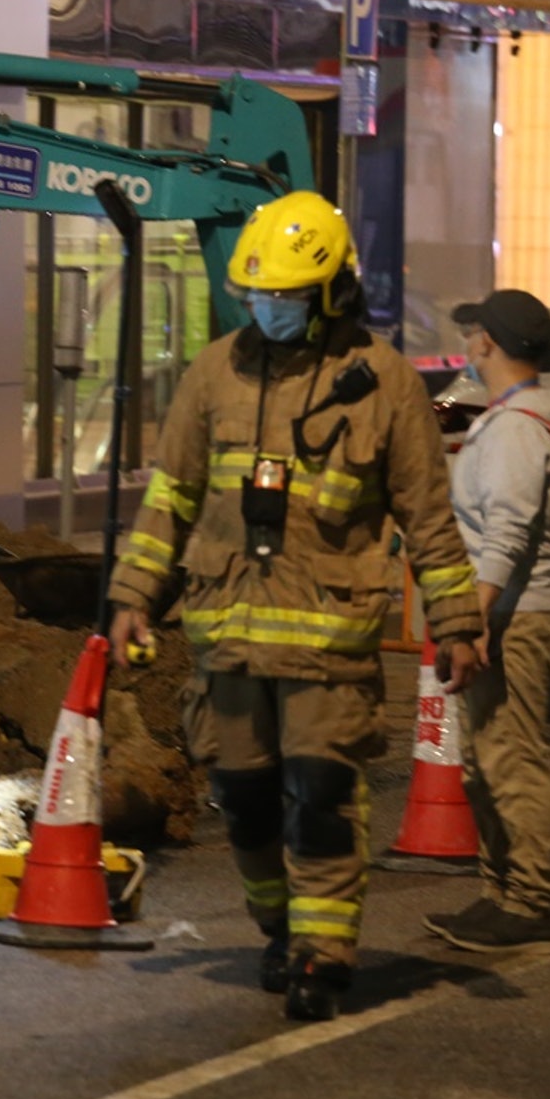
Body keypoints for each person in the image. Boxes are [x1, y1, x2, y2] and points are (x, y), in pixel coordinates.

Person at [107, 191, 484, 1023]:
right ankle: (277, 926)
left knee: (320, 797)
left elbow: (426, 513)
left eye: (286, 298)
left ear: (331, 295)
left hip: (328, 643)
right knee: (241, 802)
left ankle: (324, 952)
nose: (270, 312)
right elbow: (170, 495)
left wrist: (455, 621)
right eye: (259, 297)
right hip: (226, 638)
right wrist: (135, 597)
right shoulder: (213, 373)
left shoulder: (383, 383)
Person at [424, 291, 550, 955]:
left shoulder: (519, 427)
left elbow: (509, 530)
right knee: (484, 763)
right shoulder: (517, 418)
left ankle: (528, 904)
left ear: (489, 343)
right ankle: (500, 894)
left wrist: (477, 614)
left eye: (475, 331)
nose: (469, 341)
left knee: (511, 760)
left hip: (515, 614)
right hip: (509, 610)